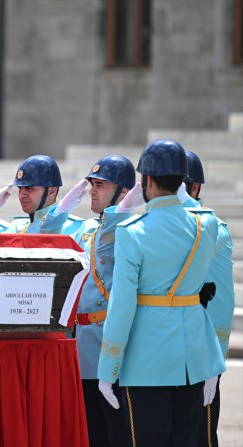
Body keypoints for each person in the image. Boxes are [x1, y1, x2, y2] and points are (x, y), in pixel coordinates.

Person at [97, 140, 225, 447]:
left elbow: (123, 306)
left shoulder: (132, 231)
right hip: (194, 358)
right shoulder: (205, 224)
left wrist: (108, 368)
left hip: (146, 361)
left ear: (147, 181)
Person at [71, 155, 141, 447]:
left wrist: (121, 211)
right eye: (92, 184)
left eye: (100, 185)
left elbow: (110, 243)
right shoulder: (88, 227)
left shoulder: (130, 228)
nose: (92, 191)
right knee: (92, 433)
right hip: (84, 345)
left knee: (118, 434)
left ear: (123, 193)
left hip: (113, 347)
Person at [181, 150, 235, 447]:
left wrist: (214, 363)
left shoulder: (211, 228)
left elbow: (221, 301)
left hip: (198, 356)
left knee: (198, 437)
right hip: (166, 353)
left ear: (195, 188)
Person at [0, 155, 85, 237]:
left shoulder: (73, 228)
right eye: (20, 188)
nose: (21, 195)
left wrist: (55, 219)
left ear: (52, 192)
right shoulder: (16, 227)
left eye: (29, 189)